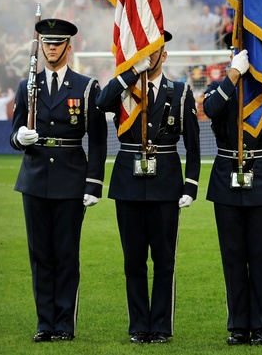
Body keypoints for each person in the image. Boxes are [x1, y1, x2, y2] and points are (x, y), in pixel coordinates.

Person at [96, 30, 201, 345]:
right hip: (128, 183)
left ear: (164, 55)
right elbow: (101, 102)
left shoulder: (180, 93)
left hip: (166, 184)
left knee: (164, 259)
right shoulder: (125, 90)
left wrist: (190, 186)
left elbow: (194, 146)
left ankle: (161, 326)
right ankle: (139, 325)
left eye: (155, 50)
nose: (150, 54)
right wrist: (131, 70)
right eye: (145, 48)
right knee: (133, 260)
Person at [10, 18, 106, 343]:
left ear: (69, 46)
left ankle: (64, 322)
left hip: (70, 178)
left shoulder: (86, 86)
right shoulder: (28, 86)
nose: (52, 48)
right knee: (40, 255)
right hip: (35, 178)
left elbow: (99, 139)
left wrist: (94, 183)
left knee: (66, 254)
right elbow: (13, 133)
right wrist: (19, 137)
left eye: (58, 42)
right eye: (47, 43)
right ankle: (44, 322)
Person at [202, 34, 262, 346]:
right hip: (227, 178)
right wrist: (232, 74)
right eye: (240, 51)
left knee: (260, 255)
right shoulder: (219, 89)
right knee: (232, 256)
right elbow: (212, 109)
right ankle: (238, 325)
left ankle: (260, 325)